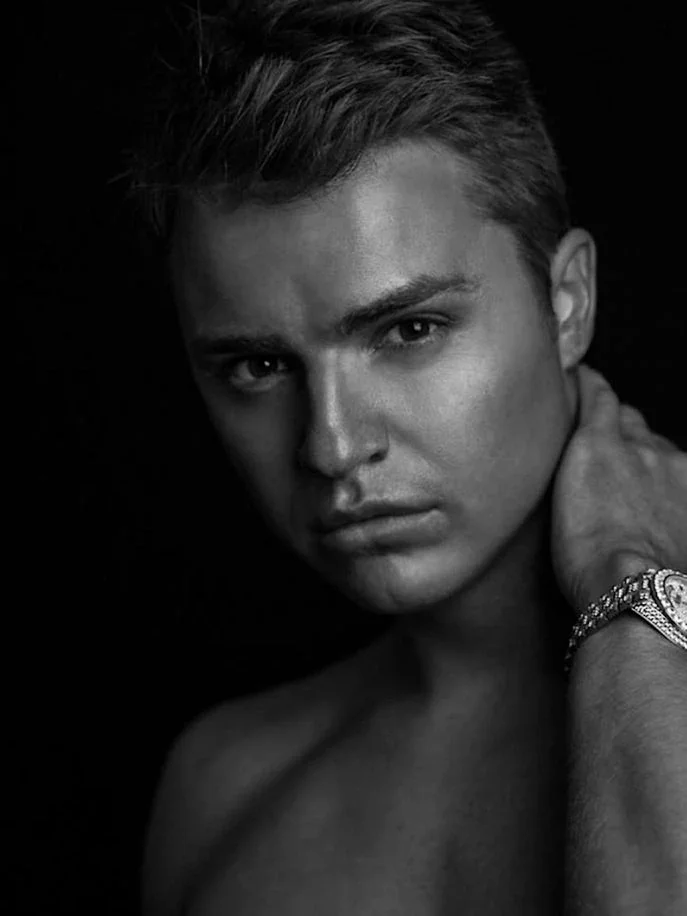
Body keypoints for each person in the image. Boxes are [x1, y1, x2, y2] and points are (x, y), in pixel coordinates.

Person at [124, 1, 687, 913]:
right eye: (259, 367)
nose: (332, 445)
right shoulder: (222, 786)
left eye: (409, 330)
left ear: (567, 302)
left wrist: (632, 591)